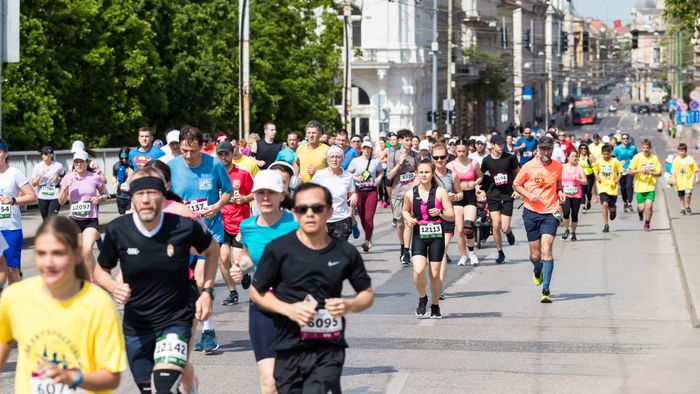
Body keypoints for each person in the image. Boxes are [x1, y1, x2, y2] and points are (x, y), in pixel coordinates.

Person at [95, 172, 219, 394]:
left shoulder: (182, 226)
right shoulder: (118, 230)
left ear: (163, 197)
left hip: (176, 317)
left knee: (162, 386)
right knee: (148, 390)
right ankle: (188, 388)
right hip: (137, 323)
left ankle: (183, 386)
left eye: (152, 193)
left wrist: (207, 292)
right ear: (131, 198)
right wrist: (114, 287)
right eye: (139, 194)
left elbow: (212, 250)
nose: (145, 199)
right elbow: (101, 269)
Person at [250, 182, 374, 393]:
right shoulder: (278, 249)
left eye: (317, 208)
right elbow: (257, 291)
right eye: (302, 209)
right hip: (288, 347)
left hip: (328, 347)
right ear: (295, 214)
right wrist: (288, 309)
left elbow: (367, 294)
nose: (309, 214)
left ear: (330, 212)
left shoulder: (345, 252)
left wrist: (349, 304)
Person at [0, 216, 126, 394]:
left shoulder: (98, 303)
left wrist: (73, 377)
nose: (49, 262)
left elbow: (112, 378)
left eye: (58, 253)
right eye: (42, 253)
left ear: (76, 255)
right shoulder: (15, 296)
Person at [168, 125, 233, 354]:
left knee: (199, 280)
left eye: (192, 151)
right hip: (182, 234)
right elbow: (165, 196)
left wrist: (216, 206)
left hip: (209, 232)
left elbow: (228, 191)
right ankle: (188, 324)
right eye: (184, 150)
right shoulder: (172, 166)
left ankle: (208, 331)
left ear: (201, 148)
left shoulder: (214, 164)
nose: (187, 155)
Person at [237, 170, 298, 394]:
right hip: (262, 305)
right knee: (269, 383)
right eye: (260, 192)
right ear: (252, 195)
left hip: (296, 308)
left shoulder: (298, 223)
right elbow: (249, 256)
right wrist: (242, 265)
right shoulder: (247, 226)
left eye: (271, 193)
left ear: (282, 195)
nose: (265, 197)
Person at [512, 136, 564, 304]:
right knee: (535, 254)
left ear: (552, 150)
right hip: (531, 212)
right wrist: (528, 195)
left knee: (546, 248)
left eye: (548, 149)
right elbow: (516, 184)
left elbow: (559, 183)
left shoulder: (557, 167)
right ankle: (537, 269)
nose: (546, 152)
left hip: (550, 212)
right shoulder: (528, 166)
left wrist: (561, 191)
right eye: (543, 149)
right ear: (538, 150)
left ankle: (546, 290)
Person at [403, 160, 455, 318]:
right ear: (417, 173)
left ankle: (435, 304)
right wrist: (408, 219)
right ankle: (422, 298)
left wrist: (439, 212)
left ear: (432, 173)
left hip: (436, 235)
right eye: (421, 172)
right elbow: (405, 211)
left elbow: (451, 215)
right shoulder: (410, 193)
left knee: (434, 273)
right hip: (419, 233)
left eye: (427, 172)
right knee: (418, 270)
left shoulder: (440, 192)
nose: (424, 175)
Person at [59, 148, 110, 278]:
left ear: (87, 163)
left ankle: (91, 280)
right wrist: (65, 187)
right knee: (81, 252)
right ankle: (94, 275)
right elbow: (61, 202)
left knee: (87, 249)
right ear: (73, 163)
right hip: (74, 220)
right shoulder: (67, 178)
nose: (79, 165)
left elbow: (106, 194)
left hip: (90, 220)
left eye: (82, 162)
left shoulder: (95, 177)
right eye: (76, 162)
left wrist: (98, 198)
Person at [217, 141, 255, 306]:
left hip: (240, 223)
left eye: (226, 154)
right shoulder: (214, 174)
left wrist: (244, 198)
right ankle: (233, 293)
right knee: (224, 259)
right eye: (221, 154)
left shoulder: (243, 174)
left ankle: (245, 272)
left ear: (232, 154)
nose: (224, 157)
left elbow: (255, 192)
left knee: (237, 262)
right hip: (221, 223)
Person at [480, 134, 519, 263]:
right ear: (492, 145)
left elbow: (518, 173)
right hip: (493, 195)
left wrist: (517, 188)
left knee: (504, 227)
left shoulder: (510, 158)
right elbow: (481, 176)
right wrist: (477, 188)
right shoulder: (486, 160)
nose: (501, 146)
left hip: (507, 195)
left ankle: (509, 233)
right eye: (499, 144)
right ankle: (500, 252)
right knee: (496, 225)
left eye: (503, 144)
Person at [387, 129, 420, 266]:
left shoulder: (415, 156)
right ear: (399, 141)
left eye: (411, 139)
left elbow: (419, 174)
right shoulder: (393, 156)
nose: (409, 142)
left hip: (411, 194)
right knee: (400, 223)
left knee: (409, 222)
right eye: (406, 140)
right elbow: (389, 176)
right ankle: (402, 245)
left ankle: (407, 250)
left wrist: (413, 187)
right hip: (397, 194)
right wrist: (399, 164)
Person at [447, 139, 483, 266]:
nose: (461, 153)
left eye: (464, 151)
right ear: (455, 150)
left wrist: (475, 182)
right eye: (459, 151)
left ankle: (472, 253)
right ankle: (463, 255)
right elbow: (447, 182)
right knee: (460, 229)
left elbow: (480, 176)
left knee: (468, 226)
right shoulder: (450, 165)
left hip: (470, 196)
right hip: (457, 197)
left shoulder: (474, 163)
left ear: (467, 150)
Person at [311, 146, 357, 240]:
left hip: (342, 219)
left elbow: (352, 193)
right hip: (323, 220)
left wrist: (354, 196)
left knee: (338, 250)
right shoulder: (319, 175)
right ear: (327, 160)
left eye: (338, 157)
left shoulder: (347, 176)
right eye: (332, 157)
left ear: (342, 159)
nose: (334, 160)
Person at [431, 143, 459, 298]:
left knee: (442, 252)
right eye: (436, 157)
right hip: (430, 218)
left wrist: (454, 196)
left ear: (447, 157)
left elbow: (460, 193)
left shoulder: (452, 175)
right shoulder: (427, 174)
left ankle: (438, 287)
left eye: (442, 157)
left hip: (447, 216)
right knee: (433, 254)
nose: (439, 160)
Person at [347, 141, 383, 251]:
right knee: (363, 218)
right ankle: (369, 236)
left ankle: (367, 241)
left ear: (371, 149)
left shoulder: (375, 161)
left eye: (368, 148)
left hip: (371, 191)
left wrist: (379, 178)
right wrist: (355, 177)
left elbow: (381, 171)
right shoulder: (355, 161)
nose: (366, 150)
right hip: (359, 191)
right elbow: (348, 172)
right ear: (361, 149)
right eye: (364, 147)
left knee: (369, 217)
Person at [628, 139, 662, 231]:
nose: (645, 149)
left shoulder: (654, 158)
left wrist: (651, 172)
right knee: (641, 207)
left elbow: (659, 173)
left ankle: (647, 224)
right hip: (639, 187)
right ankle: (640, 213)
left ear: (650, 148)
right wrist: (640, 170)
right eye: (644, 148)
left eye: (647, 148)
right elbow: (630, 171)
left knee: (649, 205)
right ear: (641, 148)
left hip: (650, 187)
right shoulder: (637, 157)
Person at [593, 144, 623, 233]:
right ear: (602, 154)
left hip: (612, 187)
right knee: (604, 204)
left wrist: (617, 179)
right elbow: (595, 170)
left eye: (607, 154)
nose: (606, 156)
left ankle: (613, 210)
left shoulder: (615, 161)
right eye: (604, 154)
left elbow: (621, 171)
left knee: (611, 206)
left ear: (610, 153)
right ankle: (606, 225)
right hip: (602, 186)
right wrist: (597, 177)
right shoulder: (599, 161)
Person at [31, 145, 65, 219]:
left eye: (46, 154)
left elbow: (64, 179)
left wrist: (58, 178)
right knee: (45, 220)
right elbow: (33, 184)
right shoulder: (38, 166)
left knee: (51, 220)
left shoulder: (58, 165)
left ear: (51, 155)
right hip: (42, 196)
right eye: (42, 154)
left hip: (55, 196)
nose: (43, 155)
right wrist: (39, 176)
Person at [561, 149, 587, 241]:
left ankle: (574, 232)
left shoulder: (579, 168)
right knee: (566, 212)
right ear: (567, 157)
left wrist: (578, 179)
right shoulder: (562, 167)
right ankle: (566, 229)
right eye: (572, 156)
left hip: (576, 195)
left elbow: (585, 182)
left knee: (574, 215)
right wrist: (561, 186)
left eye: (576, 156)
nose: (574, 157)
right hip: (565, 194)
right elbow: (558, 179)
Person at [670, 143, 699, 215]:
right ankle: (682, 208)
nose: (681, 152)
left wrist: (697, 176)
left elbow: (695, 168)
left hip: (688, 181)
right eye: (680, 151)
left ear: (686, 151)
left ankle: (688, 206)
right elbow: (673, 170)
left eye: (683, 151)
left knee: (688, 194)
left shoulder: (690, 159)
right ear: (678, 151)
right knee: (681, 196)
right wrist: (673, 178)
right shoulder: (676, 159)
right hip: (679, 182)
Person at [612, 133, 638, 213]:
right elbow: (612, 159)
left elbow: (637, 157)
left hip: (630, 169)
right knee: (623, 187)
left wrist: (633, 160)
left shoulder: (633, 148)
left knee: (629, 185)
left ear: (629, 139)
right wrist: (619, 163)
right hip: (621, 171)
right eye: (623, 138)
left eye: (627, 138)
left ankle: (629, 202)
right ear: (621, 140)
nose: (625, 140)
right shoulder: (617, 148)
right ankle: (625, 202)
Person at [113, 147, 134, 215]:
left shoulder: (133, 165)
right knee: (122, 216)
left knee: (129, 215)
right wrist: (115, 183)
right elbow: (114, 176)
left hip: (130, 197)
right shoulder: (116, 165)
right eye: (122, 158)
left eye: (126, 158)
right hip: (120, 196)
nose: (124, 160)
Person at [578, 144, 595, 212]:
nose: (583, 150)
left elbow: (596, 164)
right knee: (582, 191)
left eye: (585, 148)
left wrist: (590, 165)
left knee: (588, 190)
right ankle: (583, 206)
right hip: (581, 176)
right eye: (581, 148)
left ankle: (588, 201)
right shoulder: (578, 157)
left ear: (587, 149)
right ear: (579, 150)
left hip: (589, 175)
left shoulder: (590, 156)